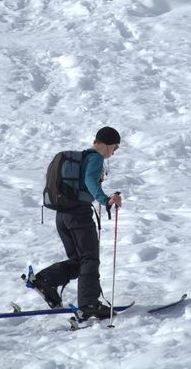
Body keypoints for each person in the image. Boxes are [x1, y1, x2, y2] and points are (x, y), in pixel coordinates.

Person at [31, 126, 123, 319]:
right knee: (89, 258)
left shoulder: (82, 159)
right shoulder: (96, 158)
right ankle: (89, 304)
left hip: (62, 216)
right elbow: (90, 181)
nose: (113, 152)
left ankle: (45, 279)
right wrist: (105, 199)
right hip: (78, 216)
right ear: (106, 144)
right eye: (114, 147)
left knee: (78, 261)